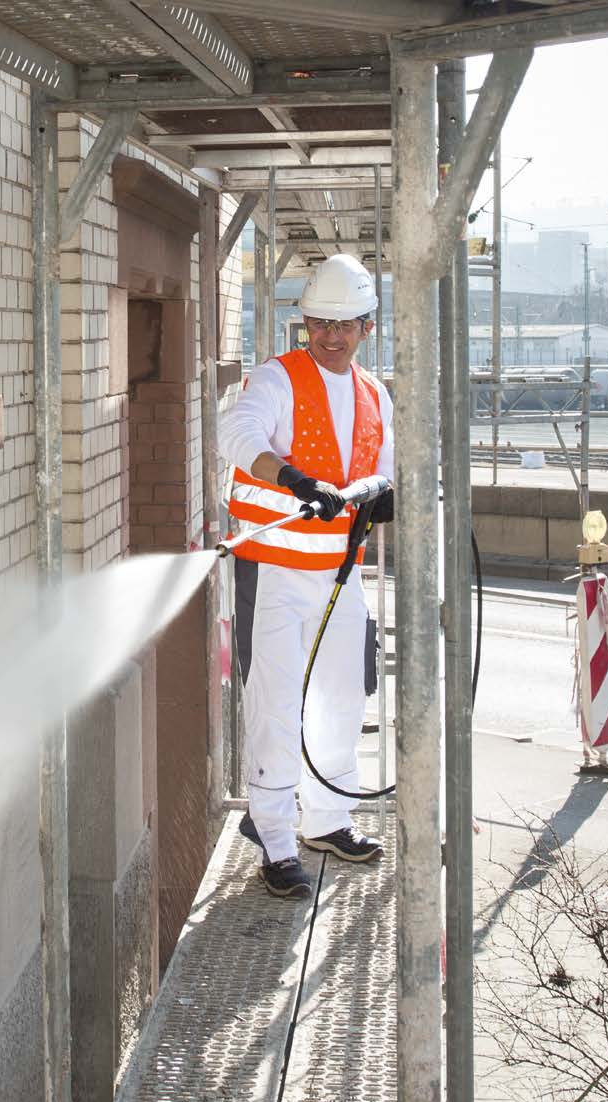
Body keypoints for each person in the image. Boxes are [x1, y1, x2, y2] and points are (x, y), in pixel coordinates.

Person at [220, 254, 395, 899]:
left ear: (366, 328)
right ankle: (273, 834)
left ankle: (327, 818)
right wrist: (291, 477)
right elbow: (233, 431)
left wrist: (383, 492)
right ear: (306, 324)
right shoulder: (278, 379)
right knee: (276, 700)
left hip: (340, 576)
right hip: (276, 576)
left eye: (344, 325)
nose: (331, 335)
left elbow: (390, 467)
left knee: (343, 696)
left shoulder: (376, 395)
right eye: (320, 323)